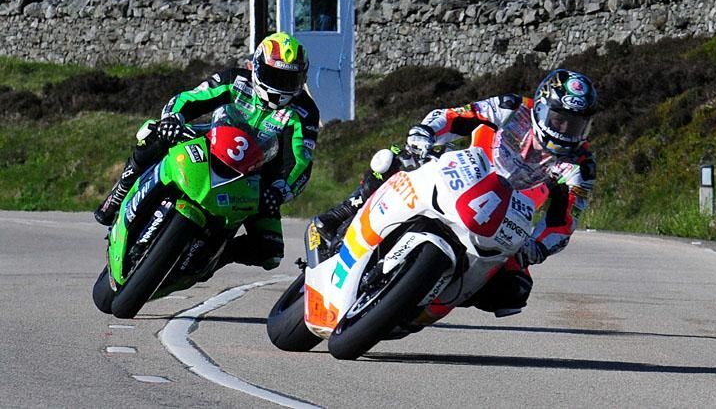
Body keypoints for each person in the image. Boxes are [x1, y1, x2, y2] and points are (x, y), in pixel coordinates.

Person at [314, 68, 597, 316]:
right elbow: (455, 116)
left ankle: (432, 297)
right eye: (559, 118)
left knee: (515, 290)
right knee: (396, 158)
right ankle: (343, 212)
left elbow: (562, 224)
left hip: (505, 219)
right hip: (464, 175)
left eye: (576, 125)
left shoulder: (580, 166)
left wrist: (537, 247)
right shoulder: (512, 108)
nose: (566, 130)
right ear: (541, 107)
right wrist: (424, 133)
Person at [94, 31, 320, 270]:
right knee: (153, 133)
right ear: (256, 67)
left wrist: (277, 192)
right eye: (273, 75)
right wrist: (173, 118)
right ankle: (119, 192)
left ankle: (214, 258)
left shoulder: (305, 112)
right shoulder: (235, 80)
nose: (279, 86)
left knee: (270, 253)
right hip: (210, 143)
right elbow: (190, 98)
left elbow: (299, 162)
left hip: (255, 179)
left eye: (287, 80)